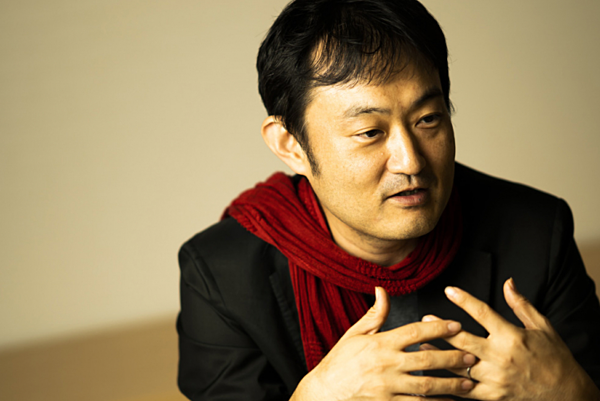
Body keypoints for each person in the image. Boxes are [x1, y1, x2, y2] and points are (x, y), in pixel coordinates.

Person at [176, 0, 600, 399]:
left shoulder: (537, 233)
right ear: (291, 145)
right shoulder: (221, 276)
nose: (410, 161)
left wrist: (573, 391)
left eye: (427, 119)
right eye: (370, 133)